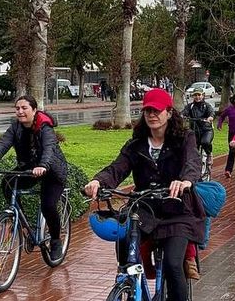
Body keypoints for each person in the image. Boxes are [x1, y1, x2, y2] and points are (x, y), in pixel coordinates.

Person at [83, 88, 206, 300]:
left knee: (172, 265)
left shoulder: (184, 138)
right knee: (125, 252)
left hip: (177, 210)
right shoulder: (136, 144)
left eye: (157, 110)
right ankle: (130, 286)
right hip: (145, 209)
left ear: (169, 112)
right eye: (147, 110)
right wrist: (98, 181)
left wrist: (185, 181)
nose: (152, 115)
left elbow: (192, 162)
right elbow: (117, 168)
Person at [0, 95, 68, 261]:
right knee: (7, 183)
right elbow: (2, 145)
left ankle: (56, 241)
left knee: (48, 206)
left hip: (52, 171)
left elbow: (48, 148)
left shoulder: (45, 127)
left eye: (24, 108)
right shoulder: (15, 127)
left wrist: (43, 166)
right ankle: (21, 221)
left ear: (34, 110)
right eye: (17, 108)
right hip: (28, 168)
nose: (20, 112)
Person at [181, 88, 215, 166]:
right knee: (190, 147)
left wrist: (210, 118)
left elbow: (211, 112)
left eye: (199, 95)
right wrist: (181, 116)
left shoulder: (206, 106)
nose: (197, 97)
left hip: (206, 130)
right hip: (194, 130)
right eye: (195, 95)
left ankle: (209, 154)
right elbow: (184, 112)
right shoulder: (190, 106)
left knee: (205, 142)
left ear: (203, 95)